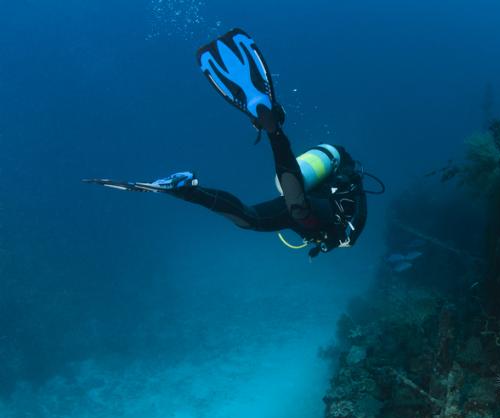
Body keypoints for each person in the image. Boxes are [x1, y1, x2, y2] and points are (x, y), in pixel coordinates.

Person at [85, 28, 380, 257]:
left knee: (249, 220)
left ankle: (185, 191)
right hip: (313, 209)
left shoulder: (328, 220)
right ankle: (272, 129)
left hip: (303, 210)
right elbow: (358, 213)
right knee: (298, 208)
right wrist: (346, 239)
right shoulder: (347, 204)